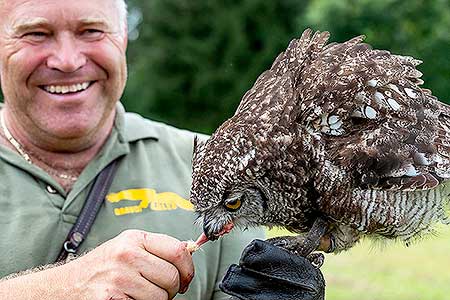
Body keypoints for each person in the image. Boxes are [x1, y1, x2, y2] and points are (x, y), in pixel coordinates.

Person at [0, 0, 264, 299]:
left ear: (123, 36)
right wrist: (62, 288)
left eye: (91, 30)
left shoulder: (218, 167)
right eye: (35, 33)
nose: (68, 60)